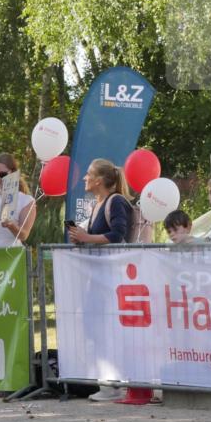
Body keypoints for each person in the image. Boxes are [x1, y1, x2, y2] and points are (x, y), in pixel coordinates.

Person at [68, 159, 134, 401]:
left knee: (108, 328)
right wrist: (82, 238)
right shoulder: (97, 205)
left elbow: (118, 234)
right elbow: (98, 236)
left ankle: (116, 383)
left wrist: (88, 237)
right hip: (97, 278)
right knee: (94, 326)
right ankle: (108, 379)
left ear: (98, 180)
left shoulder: (115, 201)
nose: (84, 178)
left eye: (88, 174)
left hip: (112, 278)